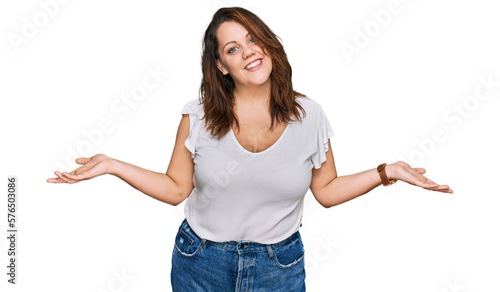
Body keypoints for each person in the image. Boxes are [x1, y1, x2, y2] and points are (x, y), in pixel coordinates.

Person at [47, 7, 453, 291]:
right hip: (200, 263)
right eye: (233, 48)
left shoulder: (309, 116)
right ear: (222, 66)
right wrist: (114, 165)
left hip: (280, 267)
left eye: (252, 39)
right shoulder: (199, 117)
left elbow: (326, 191)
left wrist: (387, 172)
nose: (249, 51)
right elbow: (175, 189)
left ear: (269, 45)